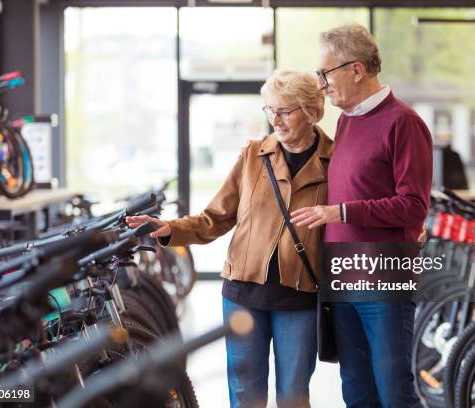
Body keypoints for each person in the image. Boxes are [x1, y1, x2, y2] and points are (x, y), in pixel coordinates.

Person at [126, 70, 334, 408]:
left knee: (294, 394)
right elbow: (216, 218)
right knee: (243, 391)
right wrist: (169, 229)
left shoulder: (335, 161)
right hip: (243, 292)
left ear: (310, 111)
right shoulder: (253, 155)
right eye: (270, 110)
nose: (275, 120)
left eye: (285, 111)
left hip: (301, 295)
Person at [290, 24, 432, 408]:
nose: (321, 84)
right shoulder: (346, 120)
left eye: (326, 73)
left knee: (394, 390)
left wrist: (340, 212)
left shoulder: (404, 123)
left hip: (383, 279)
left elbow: (414, 206)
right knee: (355, 389)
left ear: (356, 70)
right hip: (343, 276)